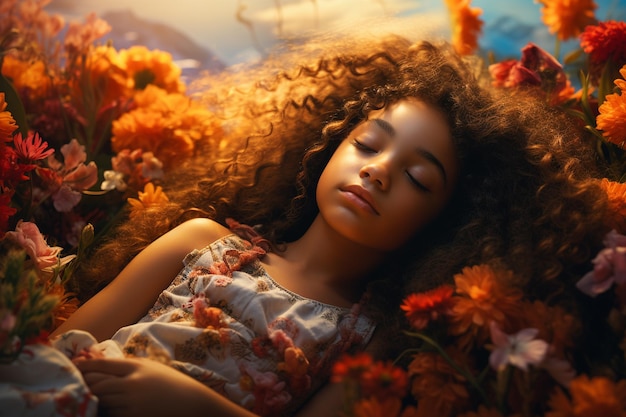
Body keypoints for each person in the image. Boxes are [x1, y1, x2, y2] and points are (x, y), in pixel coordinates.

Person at [50, 36, 609, 417]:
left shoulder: (372, 342)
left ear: (446, 223)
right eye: (367, 143)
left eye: (417, 178)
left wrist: (195, 407)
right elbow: (55, 351)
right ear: (330, 144)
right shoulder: (202, 240)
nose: (378, 171)